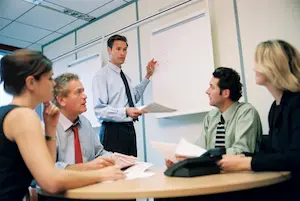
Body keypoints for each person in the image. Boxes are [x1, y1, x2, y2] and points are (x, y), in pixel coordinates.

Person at [0, 50, 125, 201]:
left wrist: (50, 128)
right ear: (31, 83)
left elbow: (48, 167)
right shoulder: (24, 116)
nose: (53, 84)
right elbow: (50, 182)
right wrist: (102, 174)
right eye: (50, 78)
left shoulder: (10, 113)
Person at [218, 40, 300, 200]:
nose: (254, 68)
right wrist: (243, 157)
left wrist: (247, 163)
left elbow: (296, 156)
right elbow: (276, 152)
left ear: (272, 66)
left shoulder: (297, 103)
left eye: (258, 62)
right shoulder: (275, 108)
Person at [165, 67, 262, 168]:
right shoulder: (211, 117)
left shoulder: (246, 112)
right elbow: (199, 150)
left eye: (212, 87)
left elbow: (241, 151)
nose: (207, 91)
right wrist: (180, 159)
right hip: (213, 174)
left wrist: (206, 157)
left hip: (240, 176)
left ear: (225, 93)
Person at [52, 73, 136, 171]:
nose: (85, 96)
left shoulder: (85, 123)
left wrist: (115, 159)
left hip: (92, 182)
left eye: (83, 91)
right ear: (61, 100)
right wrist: (87, 167)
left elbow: (99, 152)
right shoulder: (47, 129)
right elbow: (46, 171)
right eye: (78, 92)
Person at [92, 34, 157, 157]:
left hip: (129, 130)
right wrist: (125, 111)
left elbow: (134, 97)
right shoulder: (102, 76)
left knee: (132, 170)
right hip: (112, 131)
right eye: (118, 49)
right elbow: (99, 110)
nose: (122, 53)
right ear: (109, 50)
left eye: (125, 49)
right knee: (114, 172)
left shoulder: (125, 77)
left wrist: (148, 76)